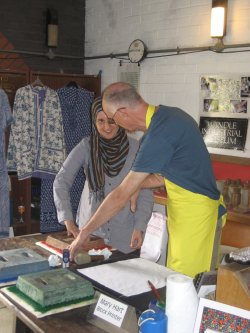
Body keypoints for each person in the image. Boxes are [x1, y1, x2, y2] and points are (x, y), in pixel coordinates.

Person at [69, 82, 227, 278]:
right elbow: (164, 175)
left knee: (189, 283)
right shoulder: (170, 117)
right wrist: (138, 185)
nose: (114, 125)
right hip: (185, 214)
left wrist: (84, 233)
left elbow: (119, 196)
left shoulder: (159, 134)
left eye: (112, 119)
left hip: (198, 217)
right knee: (176, 276)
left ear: (122, 112)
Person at [53, 96, 153, 254]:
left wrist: (140, 227)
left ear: (119, 120)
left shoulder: (136, 149)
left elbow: (145, 192)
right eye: (101, 121)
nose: (107, 127)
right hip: (90, 233)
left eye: (112, 121)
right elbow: (61, 181)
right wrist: (68, 220)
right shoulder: (86, 146)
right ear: (94, 121)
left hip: (125, 232)